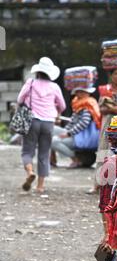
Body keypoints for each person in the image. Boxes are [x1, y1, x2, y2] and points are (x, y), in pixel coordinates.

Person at [17, 57, 66, 193]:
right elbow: (62, 105)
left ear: (37, 72)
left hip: (32, 121)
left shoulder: (30, 83)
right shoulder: (54, 87)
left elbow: (20, 99)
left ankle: (30, 173)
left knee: (27, 151)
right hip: (48, 122)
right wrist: (56, 111)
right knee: (44, 153)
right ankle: (40, 186)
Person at [52, 87, 101, 168]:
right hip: (74, 134)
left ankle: (75, 159)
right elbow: (72, 122)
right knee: (50, 129)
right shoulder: (77, 103)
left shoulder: (88, 104)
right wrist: (66, 131)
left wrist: (68, 133)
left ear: (88, 93)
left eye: (83, 92)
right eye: (79, 92)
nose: (80, 94)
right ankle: (52, 159)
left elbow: (84, 122)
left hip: (81, 137)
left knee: (54, 141)